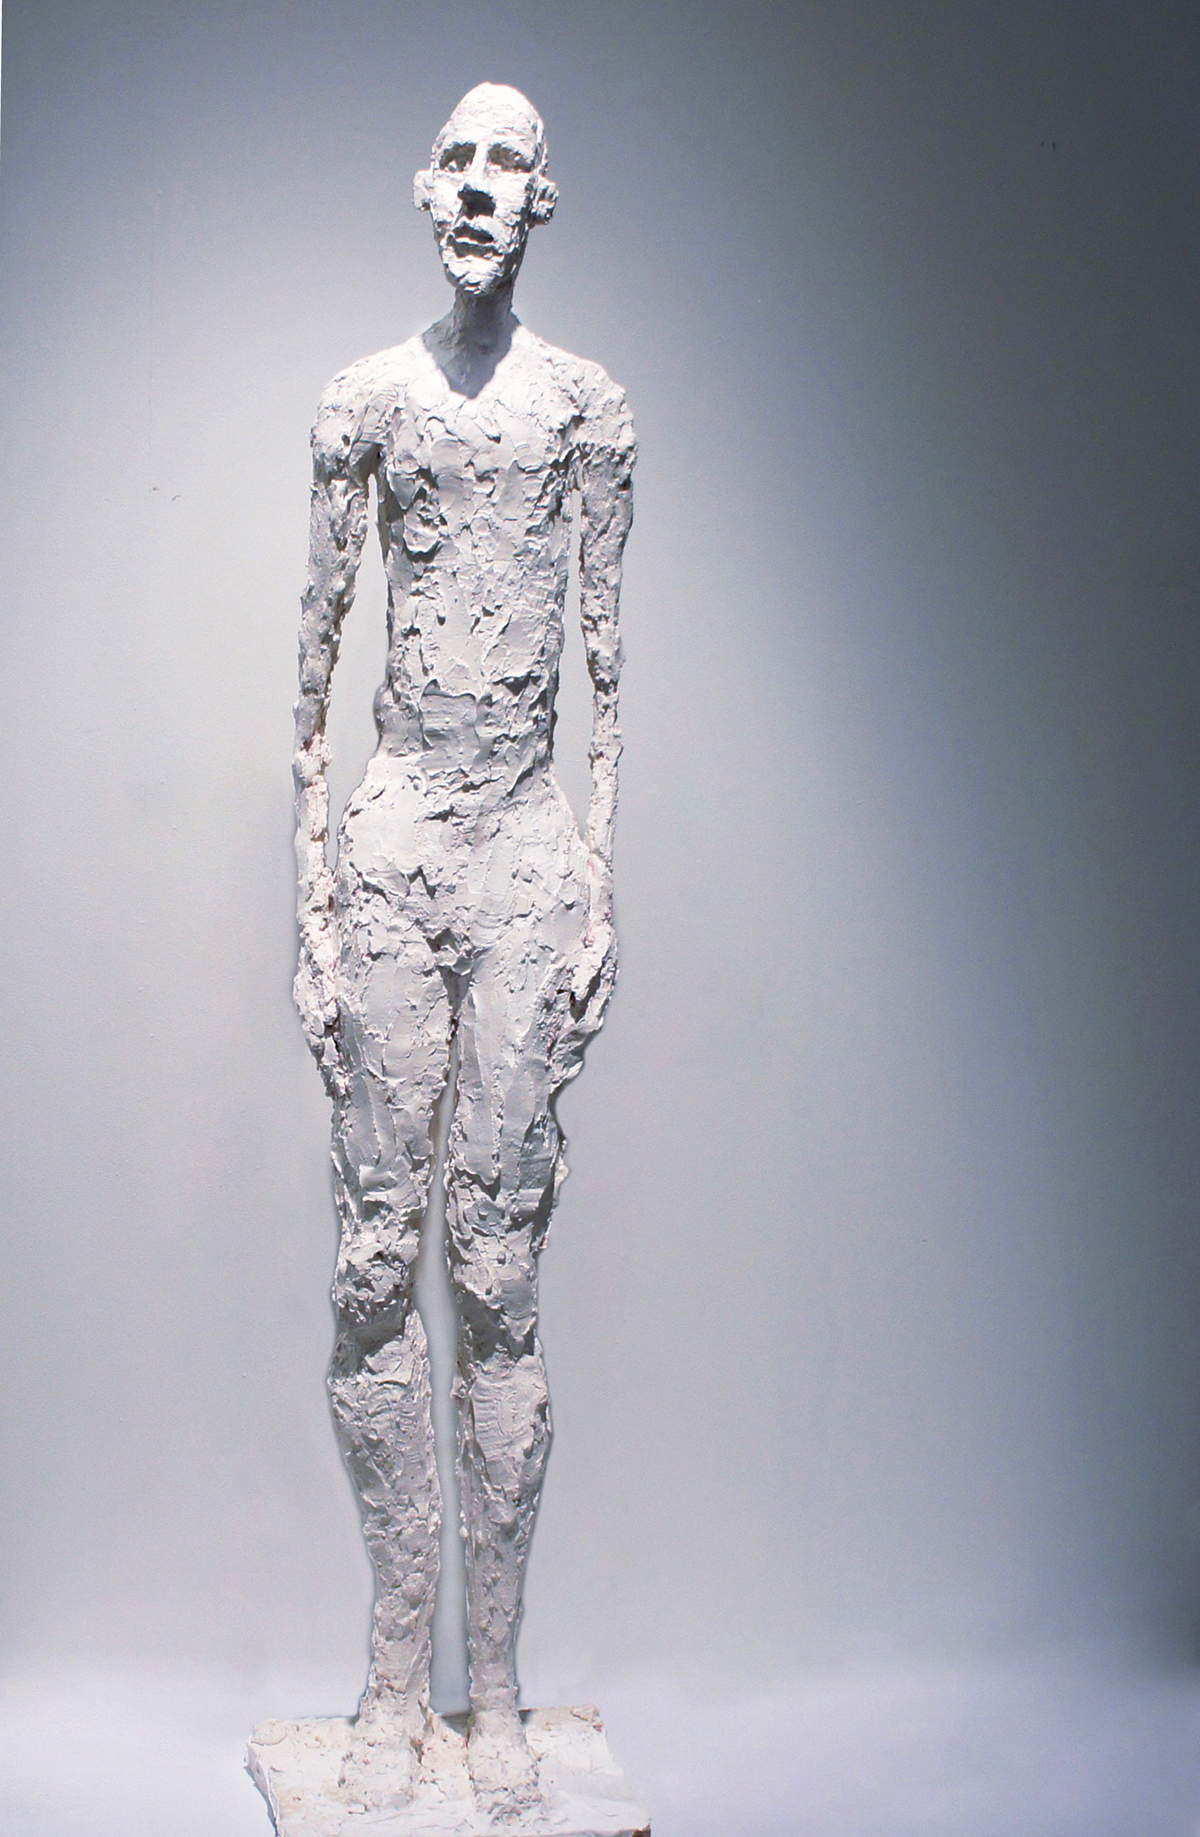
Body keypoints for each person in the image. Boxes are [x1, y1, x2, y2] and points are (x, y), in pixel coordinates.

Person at [291, 82, 635, 1814]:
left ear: (541, 201)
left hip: (521, 861)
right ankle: (385, 1677)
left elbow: (610, 668)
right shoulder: (365, 402)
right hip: (395, 850)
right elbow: (310, 671)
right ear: (426, 191)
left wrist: (599, 882)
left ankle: (491, 1690)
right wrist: (310, 909)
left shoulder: (586, 412)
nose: (484, 192)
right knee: (374, 1270)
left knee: (499, 1279)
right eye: (461, 163)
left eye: (513, 166)